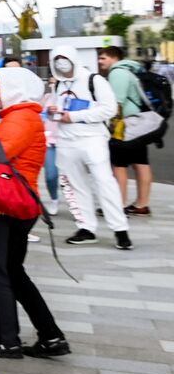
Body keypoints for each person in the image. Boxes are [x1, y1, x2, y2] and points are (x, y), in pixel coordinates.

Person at [0, 67, 70, 360]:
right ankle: (50, 336)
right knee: (12, 272)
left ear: (16, 89)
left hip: (4, 206)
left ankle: (7, 340)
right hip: (11, 204)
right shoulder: (20, 116)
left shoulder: (21, 117)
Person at [47, 45, 132, 249]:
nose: (61, 62)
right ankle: (86, 227)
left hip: (92, 139)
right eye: (57, 59)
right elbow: (58, 111)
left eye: (64, 58)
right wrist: (54, 112)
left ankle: (120, 229)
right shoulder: (58, 84)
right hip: (66, 141)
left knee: (104, 183)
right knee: (76, 187)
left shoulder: (94, 80)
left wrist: (76, 116)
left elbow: (109, 109)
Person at [99, 45, 153, 217]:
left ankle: (119, 204)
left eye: (103, 58)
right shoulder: (130, 71)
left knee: (119, 165)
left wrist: (112, 129)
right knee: (140, 163)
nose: (100, 62)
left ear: (115, 58)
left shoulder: (117, 72)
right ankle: (141, 205)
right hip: (138, 123)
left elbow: (117, 103)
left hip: (125, 125)